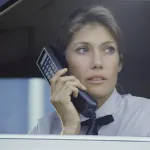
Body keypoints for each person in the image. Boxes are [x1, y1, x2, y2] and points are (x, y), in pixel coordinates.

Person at [30, 5, 150, 136]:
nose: (97, 63)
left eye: (108, 49)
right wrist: (69, 129)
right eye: (83, 49)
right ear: (64, 63)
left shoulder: (146, 117)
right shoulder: (43, 130)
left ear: (119, 63)